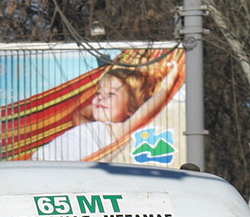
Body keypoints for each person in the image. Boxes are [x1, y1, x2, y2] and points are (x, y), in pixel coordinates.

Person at [32, 58, 181, 162]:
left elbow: (146, 110)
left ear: (130, 110)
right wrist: (100, 103)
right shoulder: (85, 125)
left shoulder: (117, 131)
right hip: (40, 160)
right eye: (98, 93)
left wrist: (166, 89)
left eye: (111, 94)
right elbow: (80, 113)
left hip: (54, 169)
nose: (101, 98)